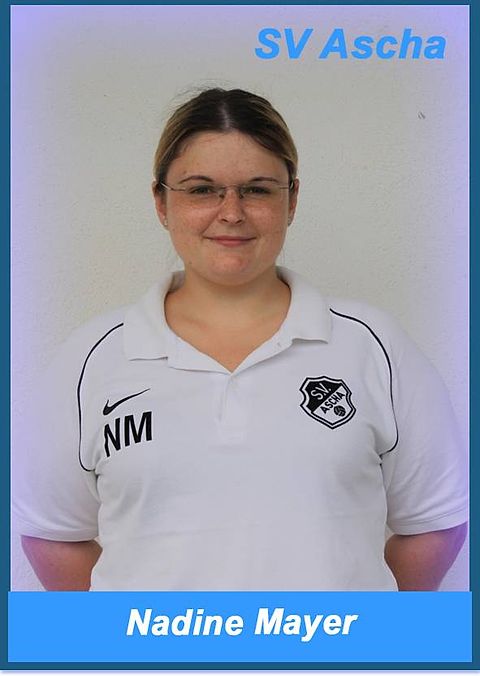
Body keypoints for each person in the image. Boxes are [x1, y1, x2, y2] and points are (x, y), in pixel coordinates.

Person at [14, 88, 467, 591]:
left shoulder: (374, 347)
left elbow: (435, 522)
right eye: (201, 189)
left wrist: (361, 628)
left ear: (292, 199)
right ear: (161, 202)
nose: (231, 212)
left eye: (256, 189)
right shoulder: (92, 359)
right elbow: (54, 535)